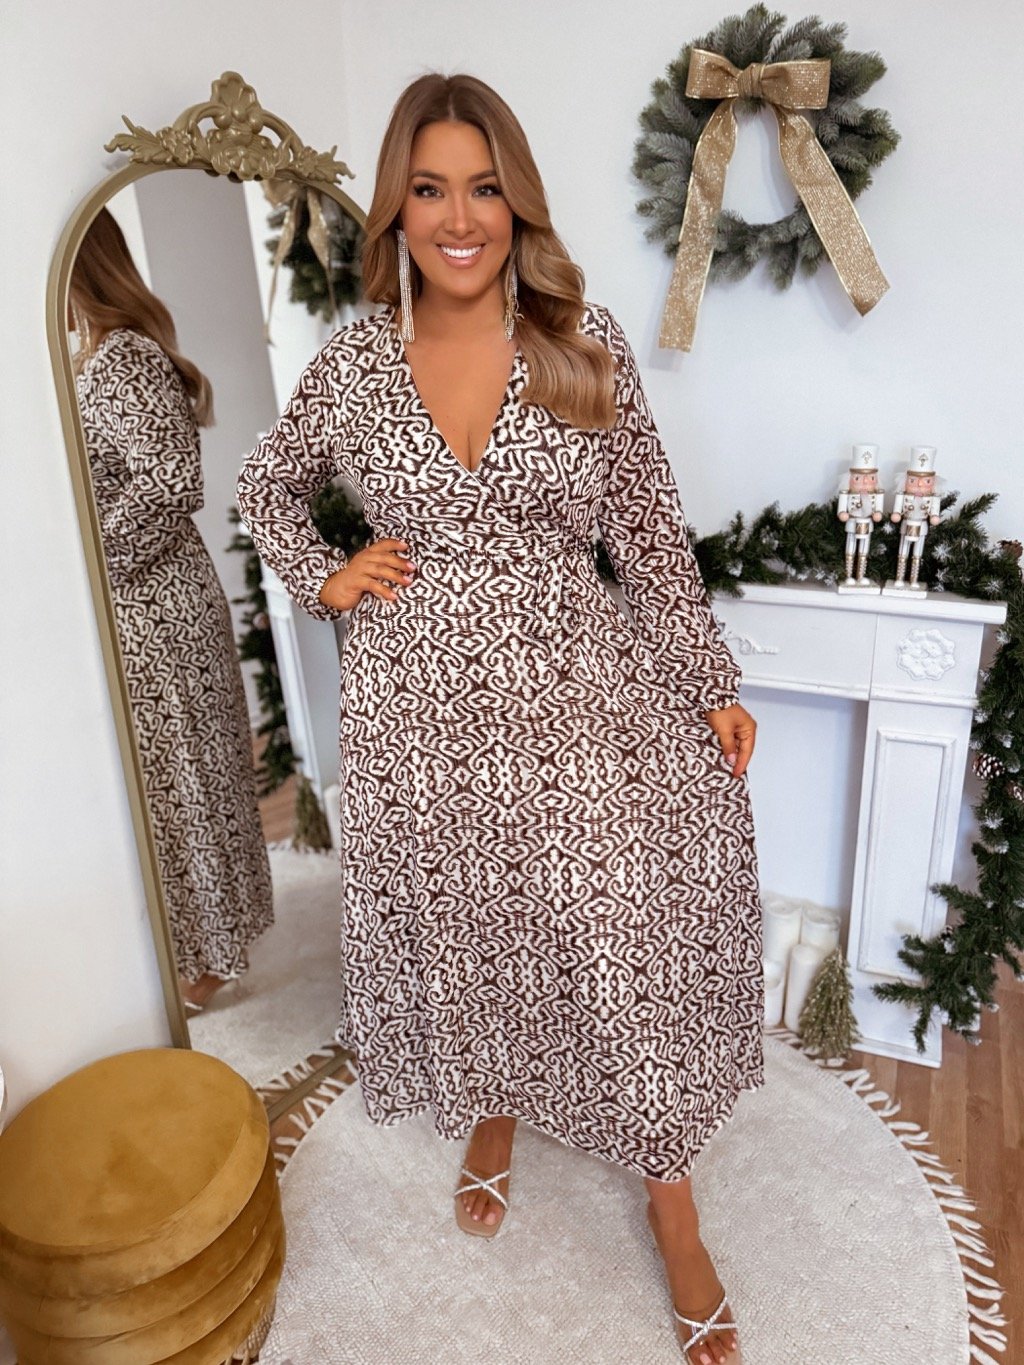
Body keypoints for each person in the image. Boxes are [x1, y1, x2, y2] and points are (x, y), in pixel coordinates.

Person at [237, 74, 762, 1365]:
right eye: (429, 189)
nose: (459, 218)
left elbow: (646, 527)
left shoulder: (581, 337)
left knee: (615, 936)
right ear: (396, 210)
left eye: (483, 187)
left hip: (576, 693)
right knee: (472, 928)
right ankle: (494, 1106)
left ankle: (672, 1202)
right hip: (417, 713)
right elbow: (265, 484)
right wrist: (324, 575)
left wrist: (709, 679)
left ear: (516, 200)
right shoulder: (355, 360)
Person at [72, 207, 274, 1011]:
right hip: (142, 599)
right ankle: (193, 944)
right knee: (171, 777)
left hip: (158, 600)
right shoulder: (93, 356)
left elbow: (172, 481)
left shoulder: (123, 356)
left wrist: (97, 560)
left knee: (188, 773)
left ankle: (207, 955)